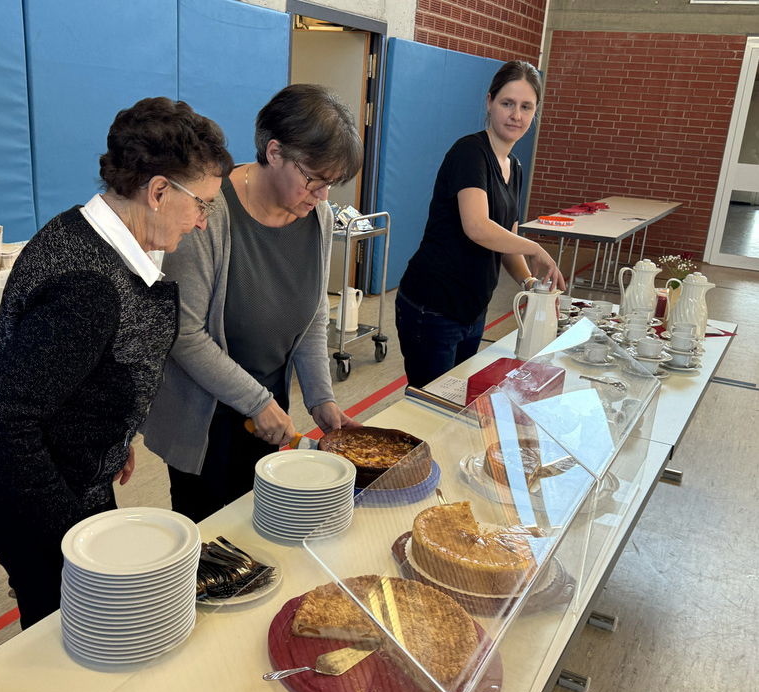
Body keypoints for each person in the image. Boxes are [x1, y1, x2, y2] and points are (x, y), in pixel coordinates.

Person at [0, 97, 233, 628]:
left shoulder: (89, 234)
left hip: (64, 466)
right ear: (158, 191)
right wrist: (76, 542)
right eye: (203, 205)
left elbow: (75, 370)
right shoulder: (88, 287)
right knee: (72, 624)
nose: (202, 223)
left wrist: (109, 434)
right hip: (23, 484)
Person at [142, 84, 364, 523]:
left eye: (330, 184)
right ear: (275, 152)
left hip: (267, 410)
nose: (322, 196)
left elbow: (312, 315)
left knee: (258, 525)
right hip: (204, 418)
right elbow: (185, 334)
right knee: (208, 534)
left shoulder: (317, 217)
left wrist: (321, 398)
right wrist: (257, 402)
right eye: (314, 180)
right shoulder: (209, 212)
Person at [395, 59, 566, 388]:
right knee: (430, 404)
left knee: (458, 399)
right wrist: (535, 248)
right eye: (507, 103)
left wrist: (529, 282)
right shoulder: (470, 153)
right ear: (489, 103)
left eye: (526, 107)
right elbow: (476, 226)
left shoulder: (515, 167)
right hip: (433, 306)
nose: (516, 115)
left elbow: (506, 243)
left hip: (472, 310)